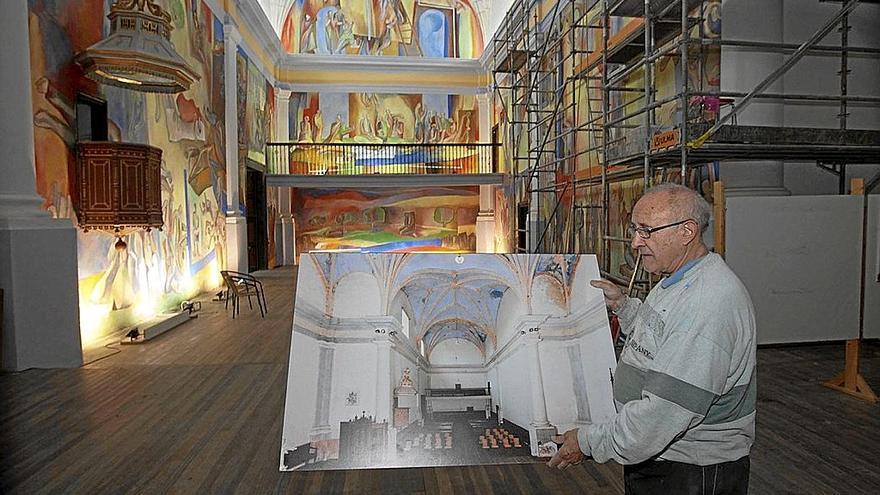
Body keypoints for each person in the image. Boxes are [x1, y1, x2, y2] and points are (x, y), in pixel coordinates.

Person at [549, 183, 757, 495]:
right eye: (634, 229)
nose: (635, 242)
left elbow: (662, 416)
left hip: (690, 471)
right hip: (661, 458)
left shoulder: (707, 302)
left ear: (687, 231)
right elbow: (661, 335)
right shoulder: (678, 278)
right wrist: (623, 306)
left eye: (646, 231)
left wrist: (590, 442)